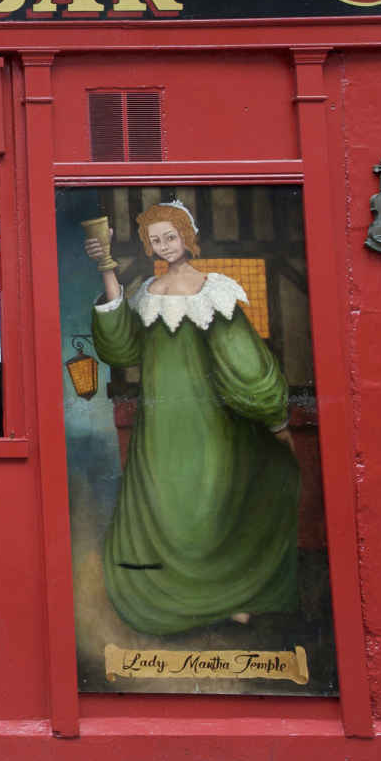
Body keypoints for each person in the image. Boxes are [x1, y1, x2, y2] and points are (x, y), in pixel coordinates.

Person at [84, 200, 299, 635]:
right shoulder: (146, 292)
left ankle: (231, 599)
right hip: (160, 427)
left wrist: (273, 415)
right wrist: (107, 271)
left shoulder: (213, 291)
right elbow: (122, 349)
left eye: (171, 236)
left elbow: (245, 362)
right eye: (155, 240)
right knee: (168, 509)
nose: (164, 246)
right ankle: (181, 605)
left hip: (209, 423)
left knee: (208, 507)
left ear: (188, 237)